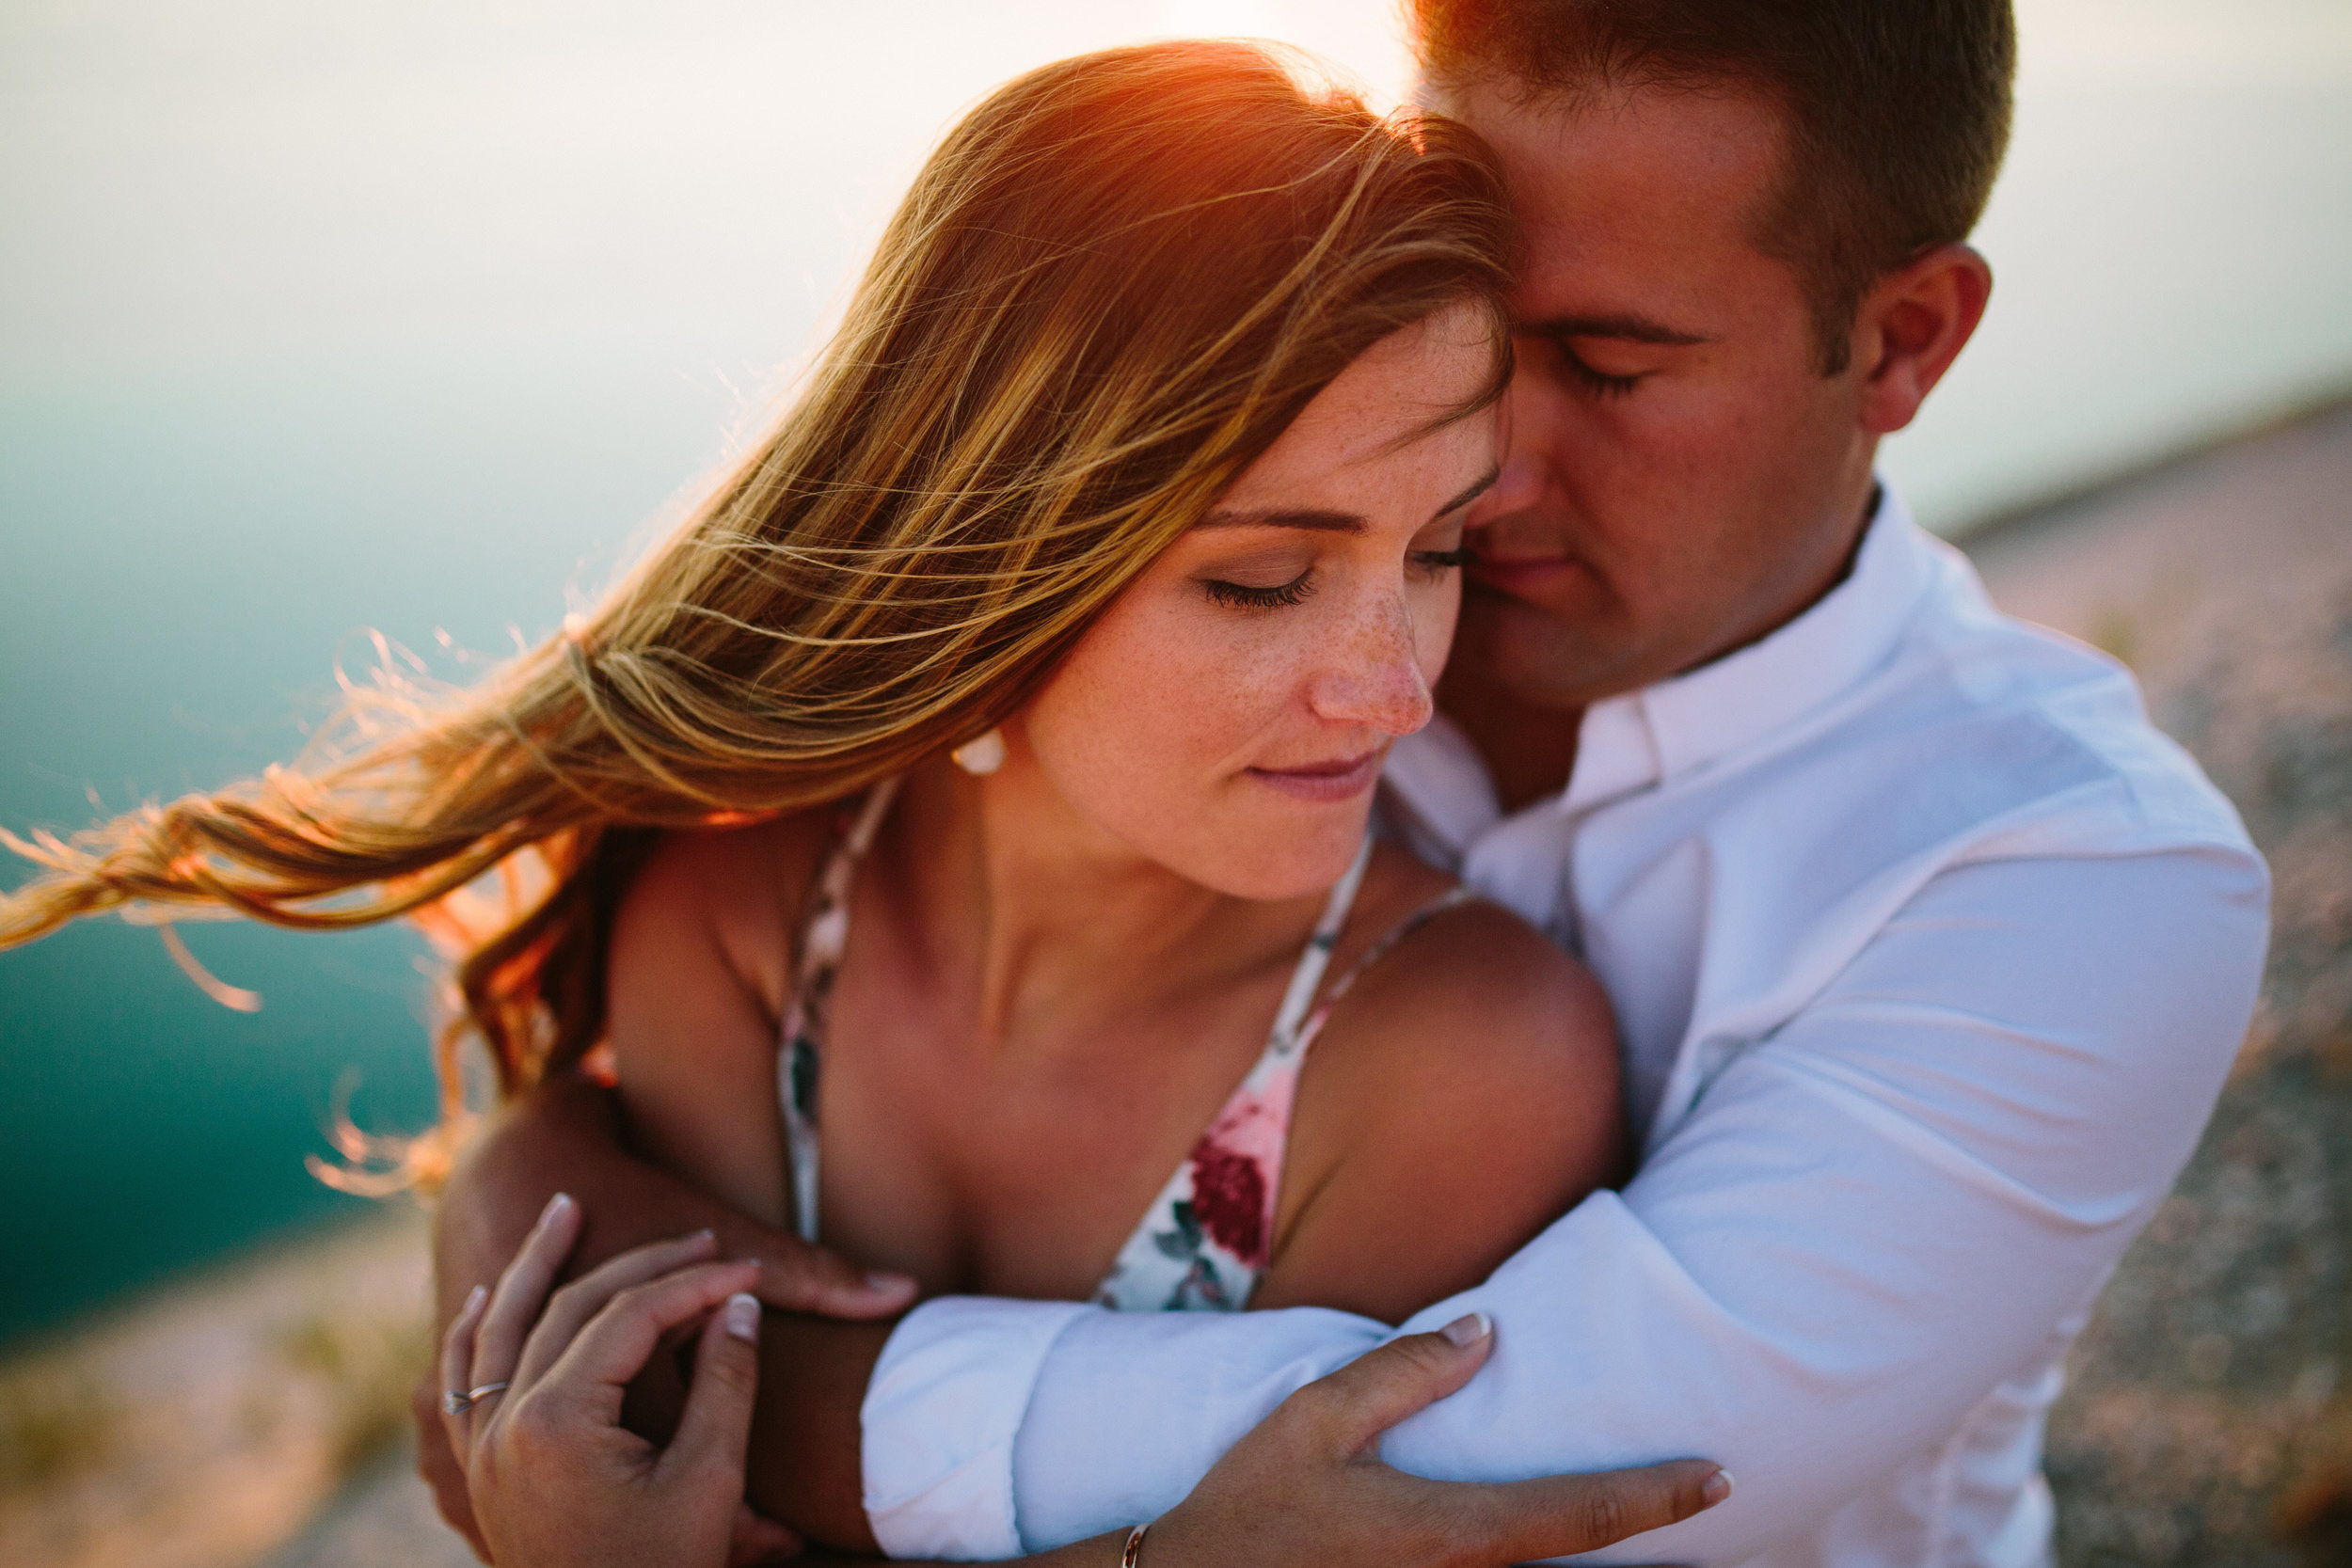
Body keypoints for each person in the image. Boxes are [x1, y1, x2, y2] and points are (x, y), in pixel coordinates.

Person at [420, 1, 2272, 1565]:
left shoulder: (2073, 882)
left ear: (1901, 341)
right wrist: (528, 1168)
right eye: (1460, 319)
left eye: (1604, 364)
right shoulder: (1316, 616)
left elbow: (1474, 1491)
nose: (1486, 461)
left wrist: (624, 1336)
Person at [0, 37, 1727, 1568]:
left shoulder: (1456, 1060)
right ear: (994, 567)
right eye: (1264, 581)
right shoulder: (742, 923)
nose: (1398, 686)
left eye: (1435, 552)